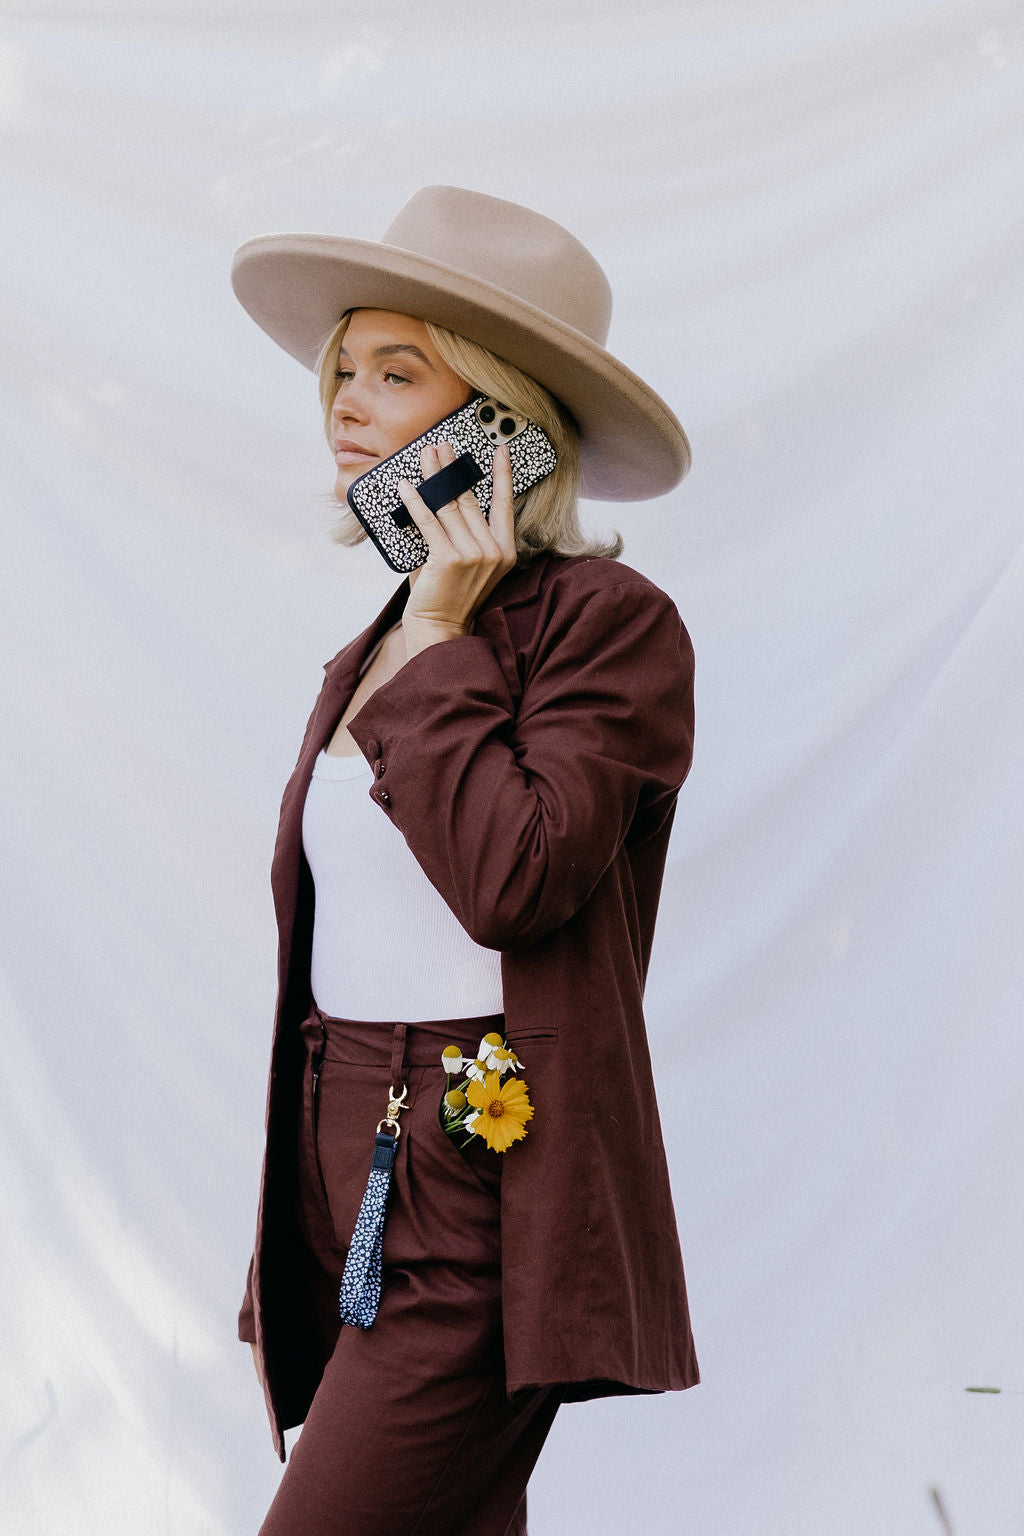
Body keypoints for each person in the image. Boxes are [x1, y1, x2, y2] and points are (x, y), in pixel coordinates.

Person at [230, 185, 700, 1536]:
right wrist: (421, 626)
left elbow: (514, 883)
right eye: (343, 371)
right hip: (344, 1155)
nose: (346, 402)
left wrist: (442, 633)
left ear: (504, 420)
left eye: (397, 370)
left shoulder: (609, 626)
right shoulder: (373, 640)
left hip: (488, 1168)